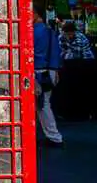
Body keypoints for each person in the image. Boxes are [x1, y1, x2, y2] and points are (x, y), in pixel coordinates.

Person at [33, 9, 63, 147]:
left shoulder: (32, 31)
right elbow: (56, 51)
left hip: (37, 73)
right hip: (49, 71)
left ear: (36, 14)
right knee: (44, 104)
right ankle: (52, 136)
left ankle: (54, 137)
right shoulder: (50, 30)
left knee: (43, 105)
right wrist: (55, 70)